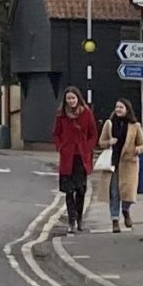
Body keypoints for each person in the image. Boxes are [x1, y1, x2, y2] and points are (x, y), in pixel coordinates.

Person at [52, 86, 97, 230]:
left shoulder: (87, 113)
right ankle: (71, 221)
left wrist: (88, 148)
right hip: (67, 157)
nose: (71, 101)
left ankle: (79, 218)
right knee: (69, 190)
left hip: (81, 157)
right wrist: (61, 147)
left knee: (81, 190)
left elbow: (93, 134)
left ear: (78, 98)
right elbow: (56, 134)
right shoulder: (61, 115)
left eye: (73, 98)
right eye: (68, 98)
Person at [101, 97, 143, 232]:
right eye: (116, 107)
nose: (118, 109)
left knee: (128, 194)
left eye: (121, 107)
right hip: (113, 164)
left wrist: (138, 149)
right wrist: (109, 142)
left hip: (129, 164)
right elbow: (101, 142)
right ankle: (115, 220)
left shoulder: (135, 126)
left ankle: (126, 210)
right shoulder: (109, 124)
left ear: (127, 110)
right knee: (114, 193)